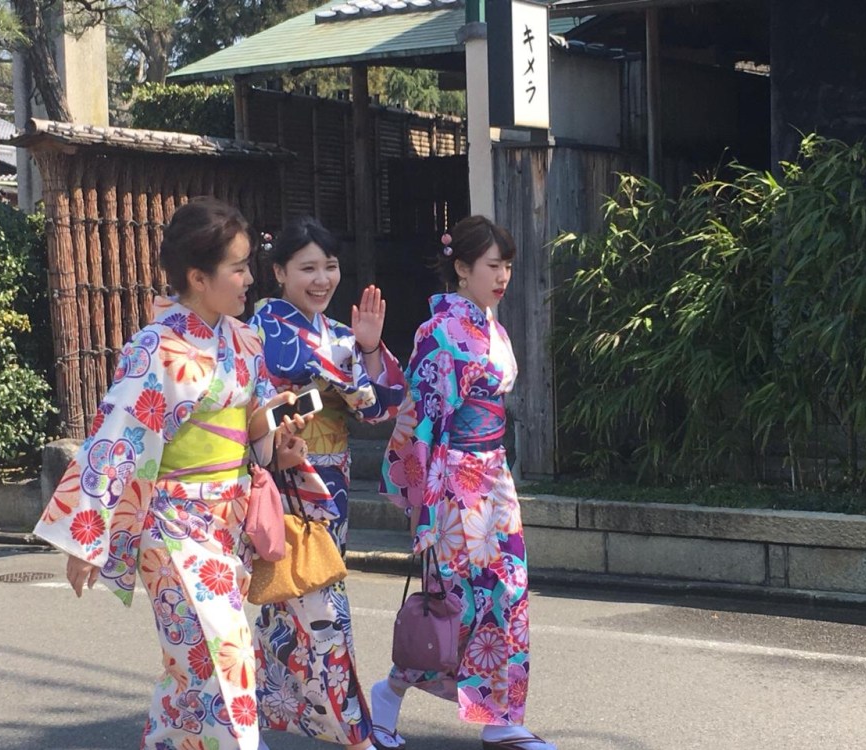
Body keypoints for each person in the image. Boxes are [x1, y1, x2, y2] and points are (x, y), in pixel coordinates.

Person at [34, 197, 310, 750]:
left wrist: (275, 438)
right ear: (198, 277)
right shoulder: (156, 348)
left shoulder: (243, 340)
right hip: (173, 527)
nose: (249, 279)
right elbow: (115, 438)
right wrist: (87, 540)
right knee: (227, 655)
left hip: (227, 521)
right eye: (238, 268)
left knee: (193, 671)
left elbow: (251, 427)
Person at [374, 216, 556, 750]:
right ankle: (389, 694)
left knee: (509, 591)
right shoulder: (438, 333)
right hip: (454, 478)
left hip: (494, 474)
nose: (502, 277)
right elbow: (423, 422)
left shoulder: (491, 326)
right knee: (457, 600)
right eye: (493, 266)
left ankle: (501, 717)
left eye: (508, 267)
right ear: (461, 268)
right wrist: (424, 505)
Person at [248, 217, 405, 750]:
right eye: (307, 268)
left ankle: (251, 718)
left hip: (332, 482)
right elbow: (267, 404)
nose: (322, 280)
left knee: (287, 604)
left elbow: (379, 409)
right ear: (279, 272)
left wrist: (368, 349)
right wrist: (334, 384)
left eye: (330, 267)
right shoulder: (264, 327)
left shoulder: (339, 333)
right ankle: (356, 733)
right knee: (320, 606)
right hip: (289, 477)